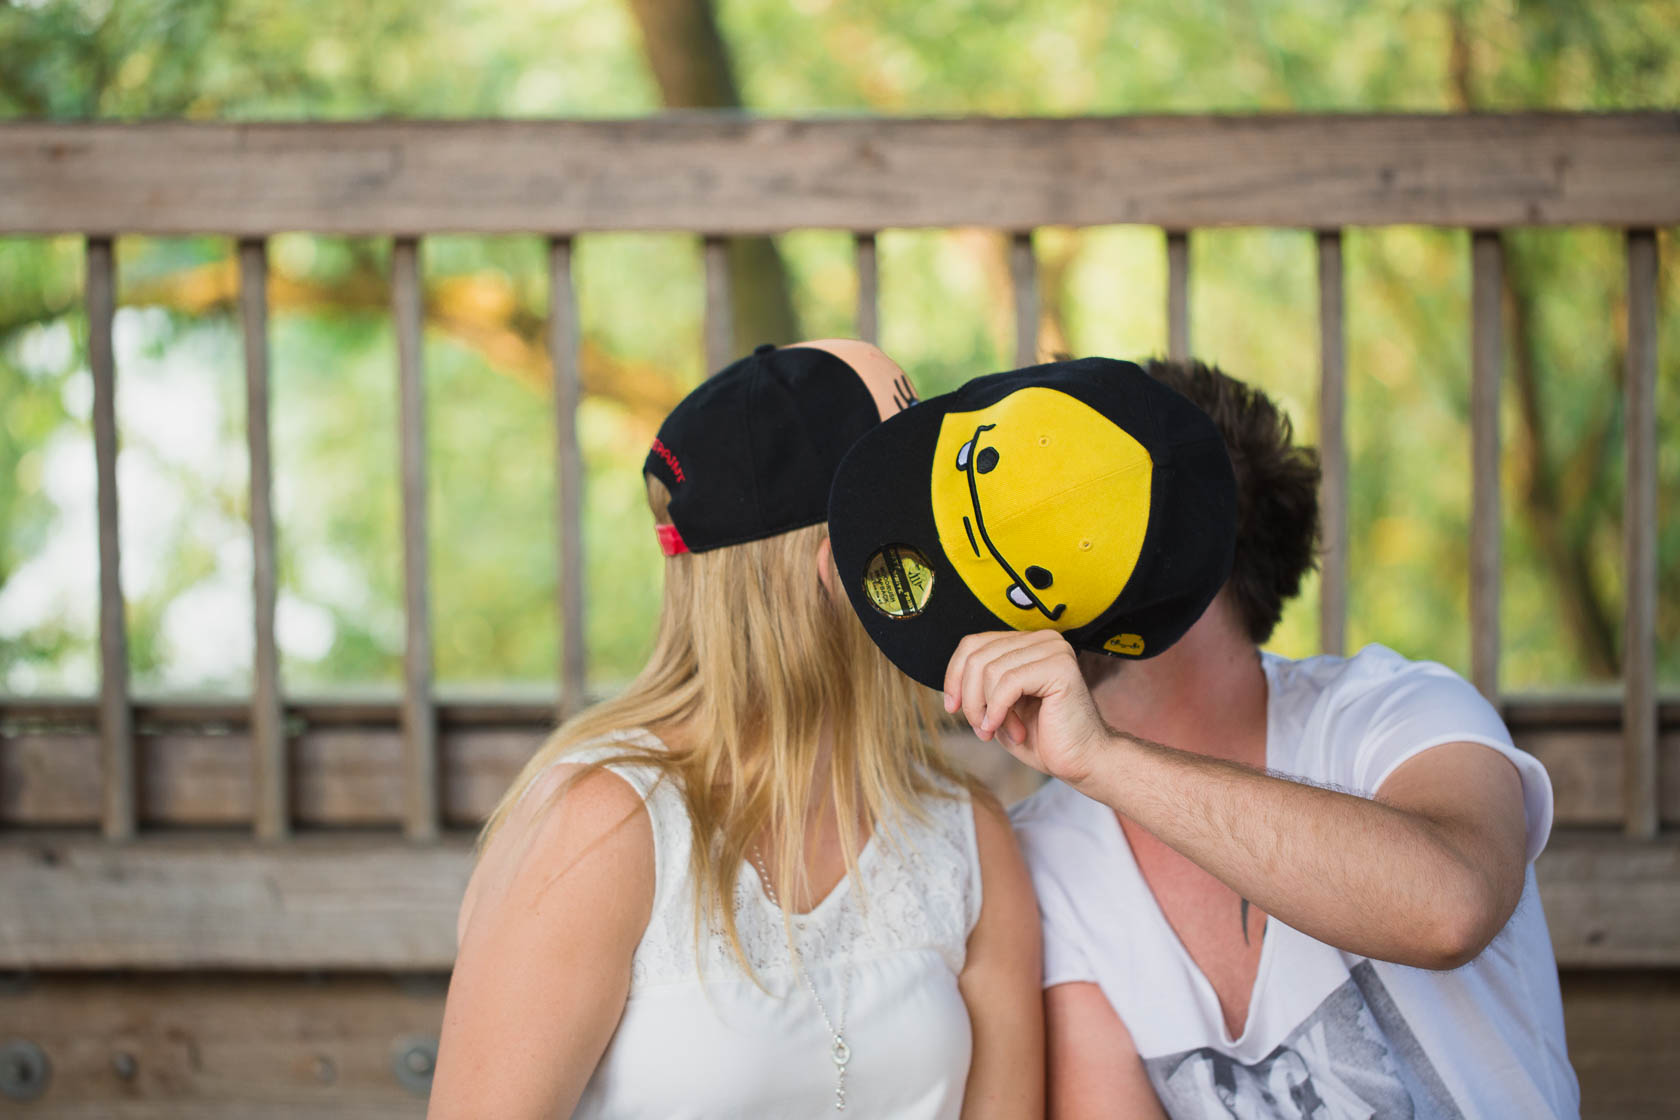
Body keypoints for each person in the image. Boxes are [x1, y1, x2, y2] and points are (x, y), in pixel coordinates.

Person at [825, 356, 1578, 1118]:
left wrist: (1105, 760)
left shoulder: (1396, 713)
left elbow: (1449, 908)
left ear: (1193, 550)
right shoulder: (1051, 851)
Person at [427, 340, 1043, 1120]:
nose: (959, 562)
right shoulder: (604, 826)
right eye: (923, 532)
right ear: (835, 571)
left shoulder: (964, 834)